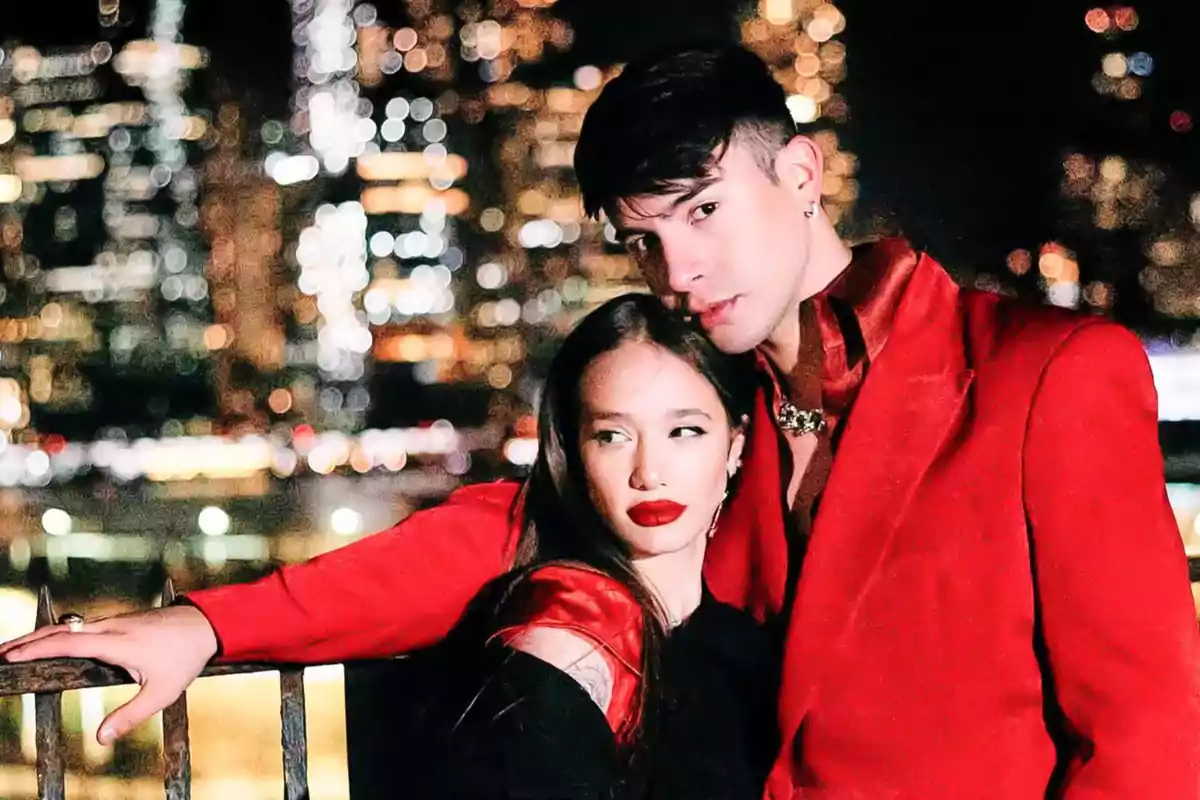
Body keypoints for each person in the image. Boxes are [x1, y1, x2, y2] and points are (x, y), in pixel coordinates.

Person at [4, 42, 1197, 800]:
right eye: (643, 238)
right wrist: (203, 626)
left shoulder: (1047, 374)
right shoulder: (711, 411)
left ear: (801, 174)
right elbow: (496, 534)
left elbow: (1146, 730)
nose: (679, 266)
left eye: (702, 208)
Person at [356, 292, 775, 799]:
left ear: (735, 447)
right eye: (612, 436)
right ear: (573, 454)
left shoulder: (739, 642)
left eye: (684, 431)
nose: (649, 472)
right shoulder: (569, 628)